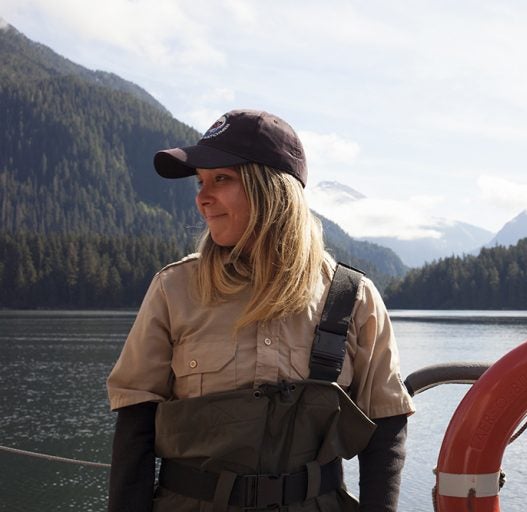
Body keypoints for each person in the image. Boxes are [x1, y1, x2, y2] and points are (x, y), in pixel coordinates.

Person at [106, 109, 415, 512]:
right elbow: (136, 423)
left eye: (221, 179)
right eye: (200, 182)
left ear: (271, 189)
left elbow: (386, 427)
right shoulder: (173, 288)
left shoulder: (353, 297)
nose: (202, 197)